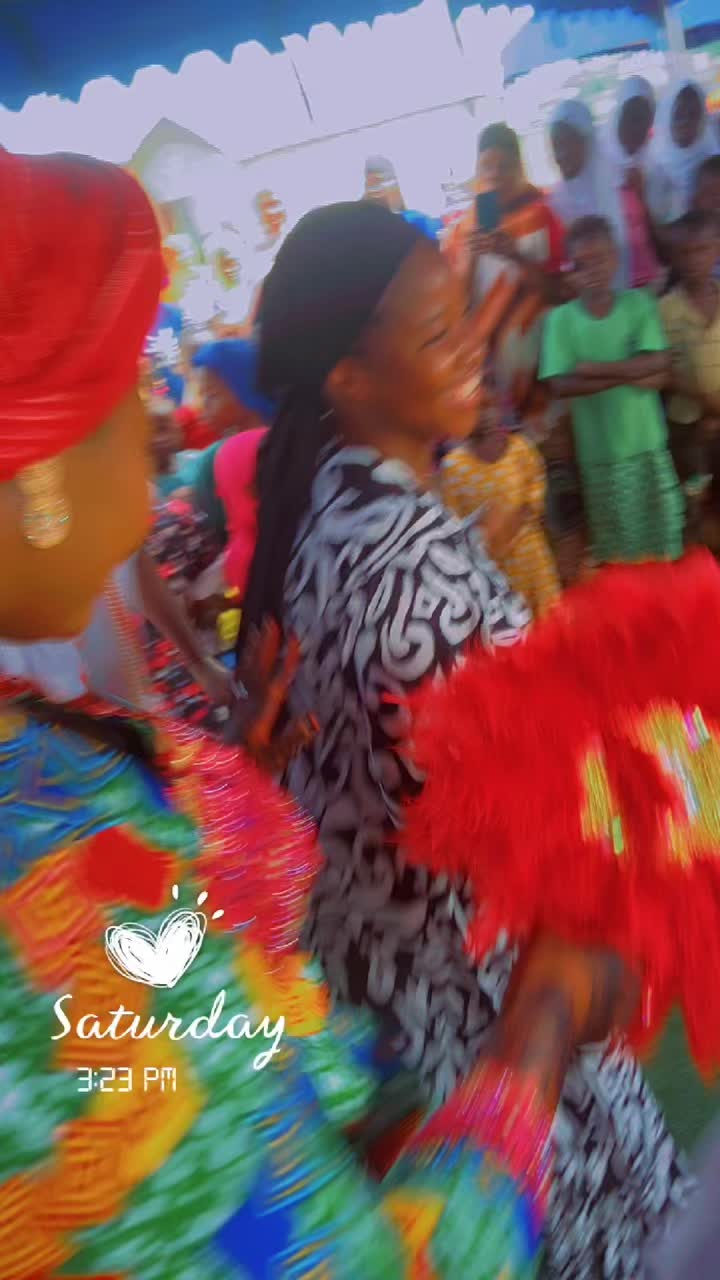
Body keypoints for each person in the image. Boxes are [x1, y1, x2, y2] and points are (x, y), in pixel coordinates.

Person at [0, 146, 643, 1280]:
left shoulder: (53, 745)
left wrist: (229, 808)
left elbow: (231, 1027)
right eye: (120, 388)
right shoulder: (43, 864)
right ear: (33, 457)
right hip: (474, 1021)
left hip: (401, 1027)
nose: (155, 427)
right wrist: (545, 1018)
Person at [238, 198, 690, 1278]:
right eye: (441, 334)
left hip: (402, 1001)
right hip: (485, 1022)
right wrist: (681, 765)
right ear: (349, 377)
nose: (477, 350)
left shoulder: (329, 509)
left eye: (468, 319)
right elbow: (537, 813)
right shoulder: (402, 567)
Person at [540, 215, 682, 565]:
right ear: (570, 270)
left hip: (649, 447)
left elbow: (659, 361)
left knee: (664, 539)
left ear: (616, 258)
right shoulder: (561, 320)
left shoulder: (639, 304)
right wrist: (634, 371)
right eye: (582, 264)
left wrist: (592, 370)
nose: (593, 270)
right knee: (619, 553)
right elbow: (559, 384)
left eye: (600, 259)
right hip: (600, 456)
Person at [448, 122, 567, 441]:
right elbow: (455, 305)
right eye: (487, 166)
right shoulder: (465, 227)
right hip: (493, 376)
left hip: (544, 361)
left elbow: (561, 292)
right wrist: (470, 257)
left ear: (519, 166)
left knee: (554, 445)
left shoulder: (543, 213)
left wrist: (515, 255)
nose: (496, 174)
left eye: (504, 166)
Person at [440, 398, 561, 617]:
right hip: (491, 568)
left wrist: (521, 517)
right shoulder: (454, 466)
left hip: (531, 558)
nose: (484, 416)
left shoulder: (520, 449)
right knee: (511, 624)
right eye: (476, 410)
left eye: (489, 407)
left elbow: (535, 485)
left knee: (549, 618)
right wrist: (486, 540)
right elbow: (454, 522)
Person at [660, 210, 720, 535]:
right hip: (687, 427)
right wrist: (706, 404)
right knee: (692, 498)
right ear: (675, 257)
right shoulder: (665, 309)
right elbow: (664, 372)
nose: (694, 260)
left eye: (702, 249)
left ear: (717, 249)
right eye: (685, 252)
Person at [550, 98, 632, 287]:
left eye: (568, 144)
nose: (561, 155)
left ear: (588, 142)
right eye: (556, 145)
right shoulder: (555, 200)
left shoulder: (616, 187)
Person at [606, 76, 669, 285]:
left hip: (651, 274)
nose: (637, 127)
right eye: (631, 117)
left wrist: (641, 195)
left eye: (644, 119)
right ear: (618, 116)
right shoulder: (599, 164)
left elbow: (664, 234)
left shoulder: (657, 167)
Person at [652, 79, 720, 219]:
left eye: (693, 114)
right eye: (679, 114)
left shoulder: (712, 154)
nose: (686, 121)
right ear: (668, 116)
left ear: (702, 118)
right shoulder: (655, 164)